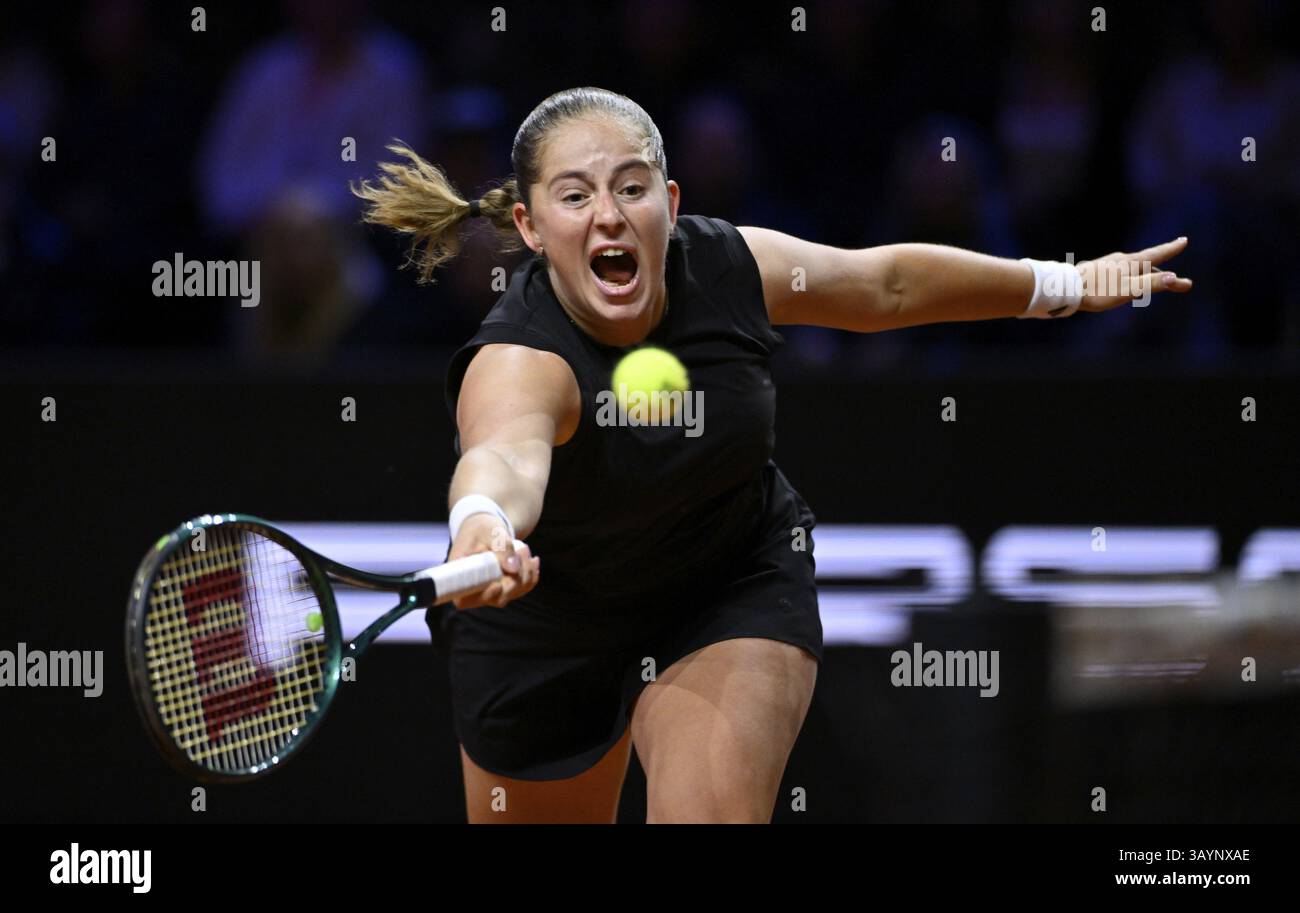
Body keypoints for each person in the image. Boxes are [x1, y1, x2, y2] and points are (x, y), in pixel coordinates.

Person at [352, 86, 1192, 823]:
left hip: (724, 581)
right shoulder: (519, 360)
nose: (608, 214)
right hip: (542, 633)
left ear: (670, 202)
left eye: (632, 186)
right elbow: (499, 460)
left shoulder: (726, 266)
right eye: (575, 196)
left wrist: (1068, 284)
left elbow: (883, 285)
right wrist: (481, 527)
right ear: (531, 227)